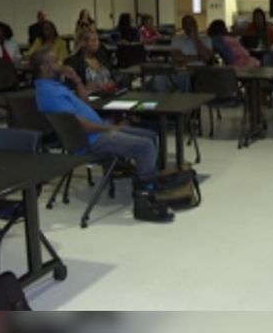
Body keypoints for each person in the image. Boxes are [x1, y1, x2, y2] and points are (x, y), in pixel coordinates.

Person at [32, 47, 173, 222]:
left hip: (96, 131)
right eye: (56, 61)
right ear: (44, 68)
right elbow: (80, 126)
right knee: (144, 146)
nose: (61, 64)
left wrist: (76, 80)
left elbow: (84, 102)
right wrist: (109, 128)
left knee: (150, 136)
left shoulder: (53, 87)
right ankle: (145, 199)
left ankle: (149, 182)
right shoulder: (50, 93)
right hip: (91, 140)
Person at [67, 28, 120, 94]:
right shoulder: (73, 62)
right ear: (83, 43)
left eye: (98, 40)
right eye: (94, 41)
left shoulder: (102, 57)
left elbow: (112, 77)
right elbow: (69, 89)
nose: (97, 43)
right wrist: (85, 88)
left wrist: (112, 82)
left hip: (108, 96)